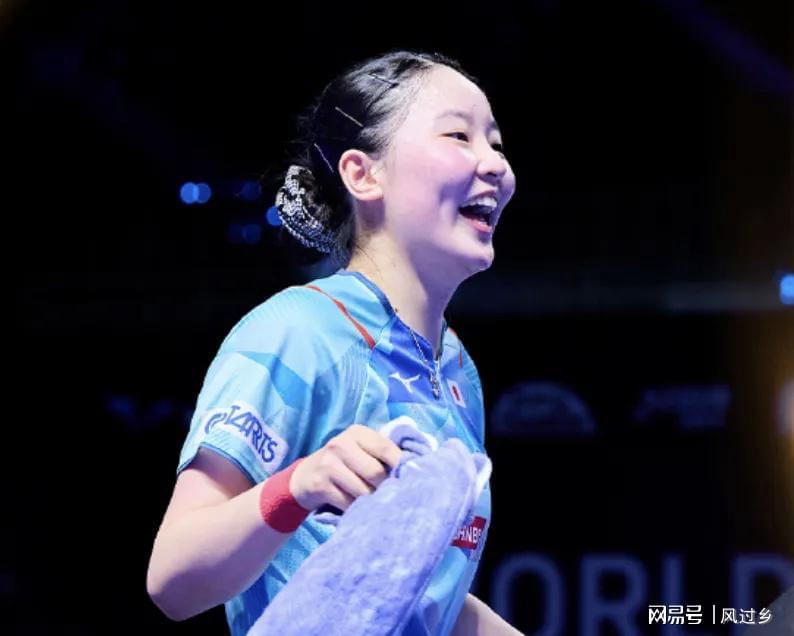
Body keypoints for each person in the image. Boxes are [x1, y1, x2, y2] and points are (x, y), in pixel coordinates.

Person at [146, 49, 518, 635]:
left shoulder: (456, 372)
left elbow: (417, 599)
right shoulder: (298, 332)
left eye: (496, 143)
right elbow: (173, 579)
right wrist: (298, 486)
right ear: (363, 175)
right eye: (459, 136)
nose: (495, 164)